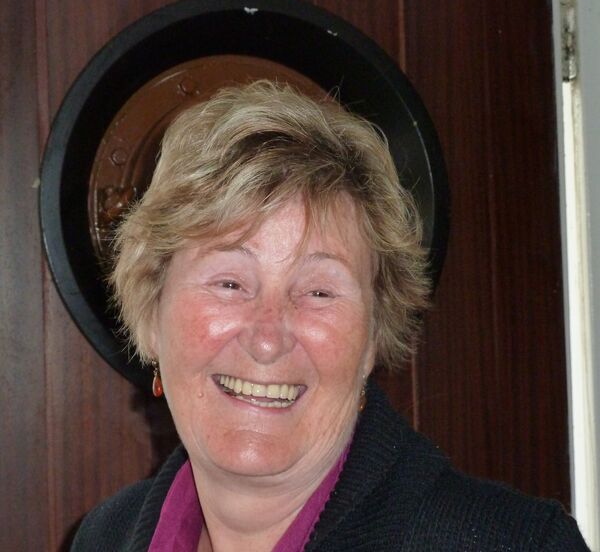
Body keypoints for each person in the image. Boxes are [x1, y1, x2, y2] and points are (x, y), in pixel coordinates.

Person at [71, 81, 588, 551]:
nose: (268, 338)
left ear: (372, 339)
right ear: (152, 312)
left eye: (318, 291)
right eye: (230, 284)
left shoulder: (521, 545)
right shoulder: (104, 538)